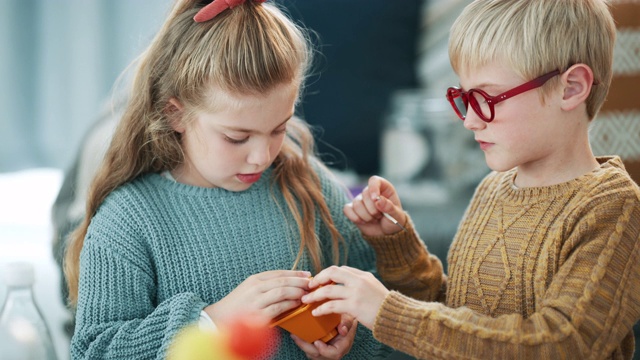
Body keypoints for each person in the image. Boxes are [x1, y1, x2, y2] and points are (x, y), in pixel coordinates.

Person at [301, 0, 640, 359]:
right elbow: (459, 323)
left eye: (487, 97)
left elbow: (562, 343)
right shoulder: (492, 189)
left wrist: (388, 311)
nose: (470, 121)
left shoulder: (614, 207)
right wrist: (398, 246)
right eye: (463, 98)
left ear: (571, 88)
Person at [63, 0, 393, 359]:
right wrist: (212, 321)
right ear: (176, 114)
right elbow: (95, 350)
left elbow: (380, 308)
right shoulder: (129, 220)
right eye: (237, 138)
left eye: (278, 129)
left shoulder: (307, 184)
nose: (262, 156)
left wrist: (349, 337)